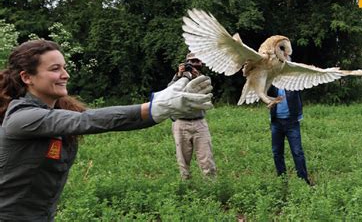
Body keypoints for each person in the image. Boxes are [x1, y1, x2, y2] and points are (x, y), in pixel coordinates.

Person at [0, 40, 213, 221]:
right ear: (27, 77)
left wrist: (162, 100)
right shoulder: (22, 118)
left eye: (64, 67)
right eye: (55, 69)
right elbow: (88, 120)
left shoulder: (56, 112)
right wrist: (155, 106)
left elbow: (111, 120)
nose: (65, 75)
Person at [168, 53, 216, 180]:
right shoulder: (179, 77)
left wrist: (196, 77)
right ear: (185, 63)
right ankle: (186, 186)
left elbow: (208, 92)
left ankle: (211, 186)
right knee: (182, 159)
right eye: (190, 62)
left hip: (199, 122)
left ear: (201, 63)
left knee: (207, 158)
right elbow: (169, 92)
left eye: (196, 61)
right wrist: (179, 75)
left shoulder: (204, 78)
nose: (193, 64)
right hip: (180, 122)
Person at [268, 85, 312, 186]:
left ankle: (304, 181)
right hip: (276, 122)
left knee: (297, 152)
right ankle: (282, 181)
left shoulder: (293, 82)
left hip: (292, 122)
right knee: (277, 152)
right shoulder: (272, 81)